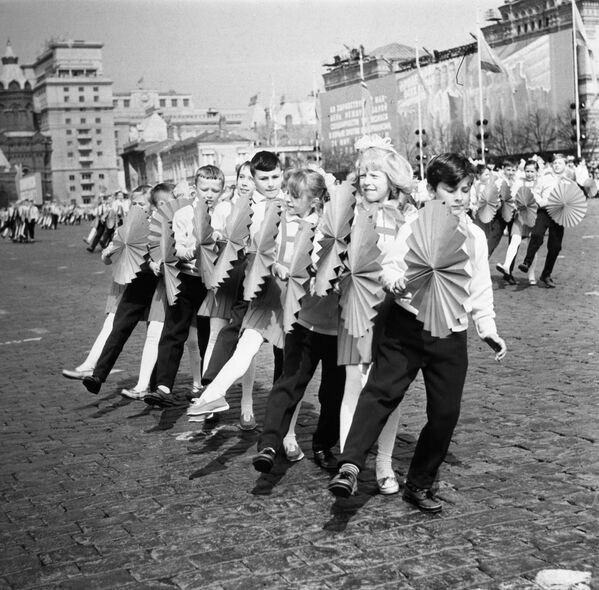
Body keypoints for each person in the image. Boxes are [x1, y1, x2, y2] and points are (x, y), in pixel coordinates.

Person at [328, 153, 507, 513]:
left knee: (445, 414)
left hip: (450, 335)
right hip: (407, 327)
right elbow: (391, 267)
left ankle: (420, 482)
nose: (459, 197)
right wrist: (395, 282)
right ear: (431, 189)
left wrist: (487, 329)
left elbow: (480, 289)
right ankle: (350, 465)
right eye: (451, 189)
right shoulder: (414, 225)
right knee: (380, 392)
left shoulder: (474, 236)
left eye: (466, 190)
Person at [336, 135, 418, 494]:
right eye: (363, 174)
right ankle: (346, 464)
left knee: (387, 391)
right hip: (356, 307)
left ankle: (384, 464)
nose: (368, 181)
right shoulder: (348, 212)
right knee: (353, 385)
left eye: (376, 175)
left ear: (393, 180)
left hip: (393, 312)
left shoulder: (409, 216)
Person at [250, 169, 346, 473]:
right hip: (302, 320)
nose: (287, 199)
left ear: (316, 199)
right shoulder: (290, 225)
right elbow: (275, 254)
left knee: (333, 392)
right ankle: (269, 443)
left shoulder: (335, 227)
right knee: (289, 381)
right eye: (287, 193)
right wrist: (278, 266)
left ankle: (323, 444)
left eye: (295, 195)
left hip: (336, 325)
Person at [143, 166, 222, 407]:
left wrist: (219, 240)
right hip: (187, 278)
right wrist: (192, 251)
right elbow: (176, 247)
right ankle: (163, 385)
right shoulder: (183, 214)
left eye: (215, 190)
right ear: (195, 188)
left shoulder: (225, 213)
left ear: (222, 190)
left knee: (210, 336)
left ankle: (210, 389)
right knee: (174, 329)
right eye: (204, 188)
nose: (209, 193)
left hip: (214, 283)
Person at [81, 185, 164, 394]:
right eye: (134, 203)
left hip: (158, 283)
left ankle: (153, 385)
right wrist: (108, 253)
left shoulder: (159, 224)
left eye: (142, 203)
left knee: (155, 335)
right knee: (119, 329)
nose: (137, 207)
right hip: (135, 283)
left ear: (151, 205)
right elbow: (108, 257)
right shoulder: (126, 226)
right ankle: (98, 376)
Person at [518, 154, 570, 288]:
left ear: (565, 165)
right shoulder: (544, 179)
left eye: (560, 163)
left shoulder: (568, 182)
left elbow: (573, 199)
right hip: (544, 211)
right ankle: (527, 262)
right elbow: (535, 192)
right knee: (536, 234)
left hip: (559, 214)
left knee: (555, 246)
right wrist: (542, 202)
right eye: (555, 163)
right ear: (552, 165)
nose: (557, 165)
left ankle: (546, 274)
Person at [496, 159, 539, 285]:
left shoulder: (540, 183)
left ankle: (531, 275)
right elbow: (513, 197)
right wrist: (515, 205)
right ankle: (507, 265)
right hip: (520, 215)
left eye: (532, 171)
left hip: (534, 216)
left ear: (537, 171)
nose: (529, 174)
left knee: (533, 247)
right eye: (527, 171)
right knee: (515, 240)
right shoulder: (519, 182)